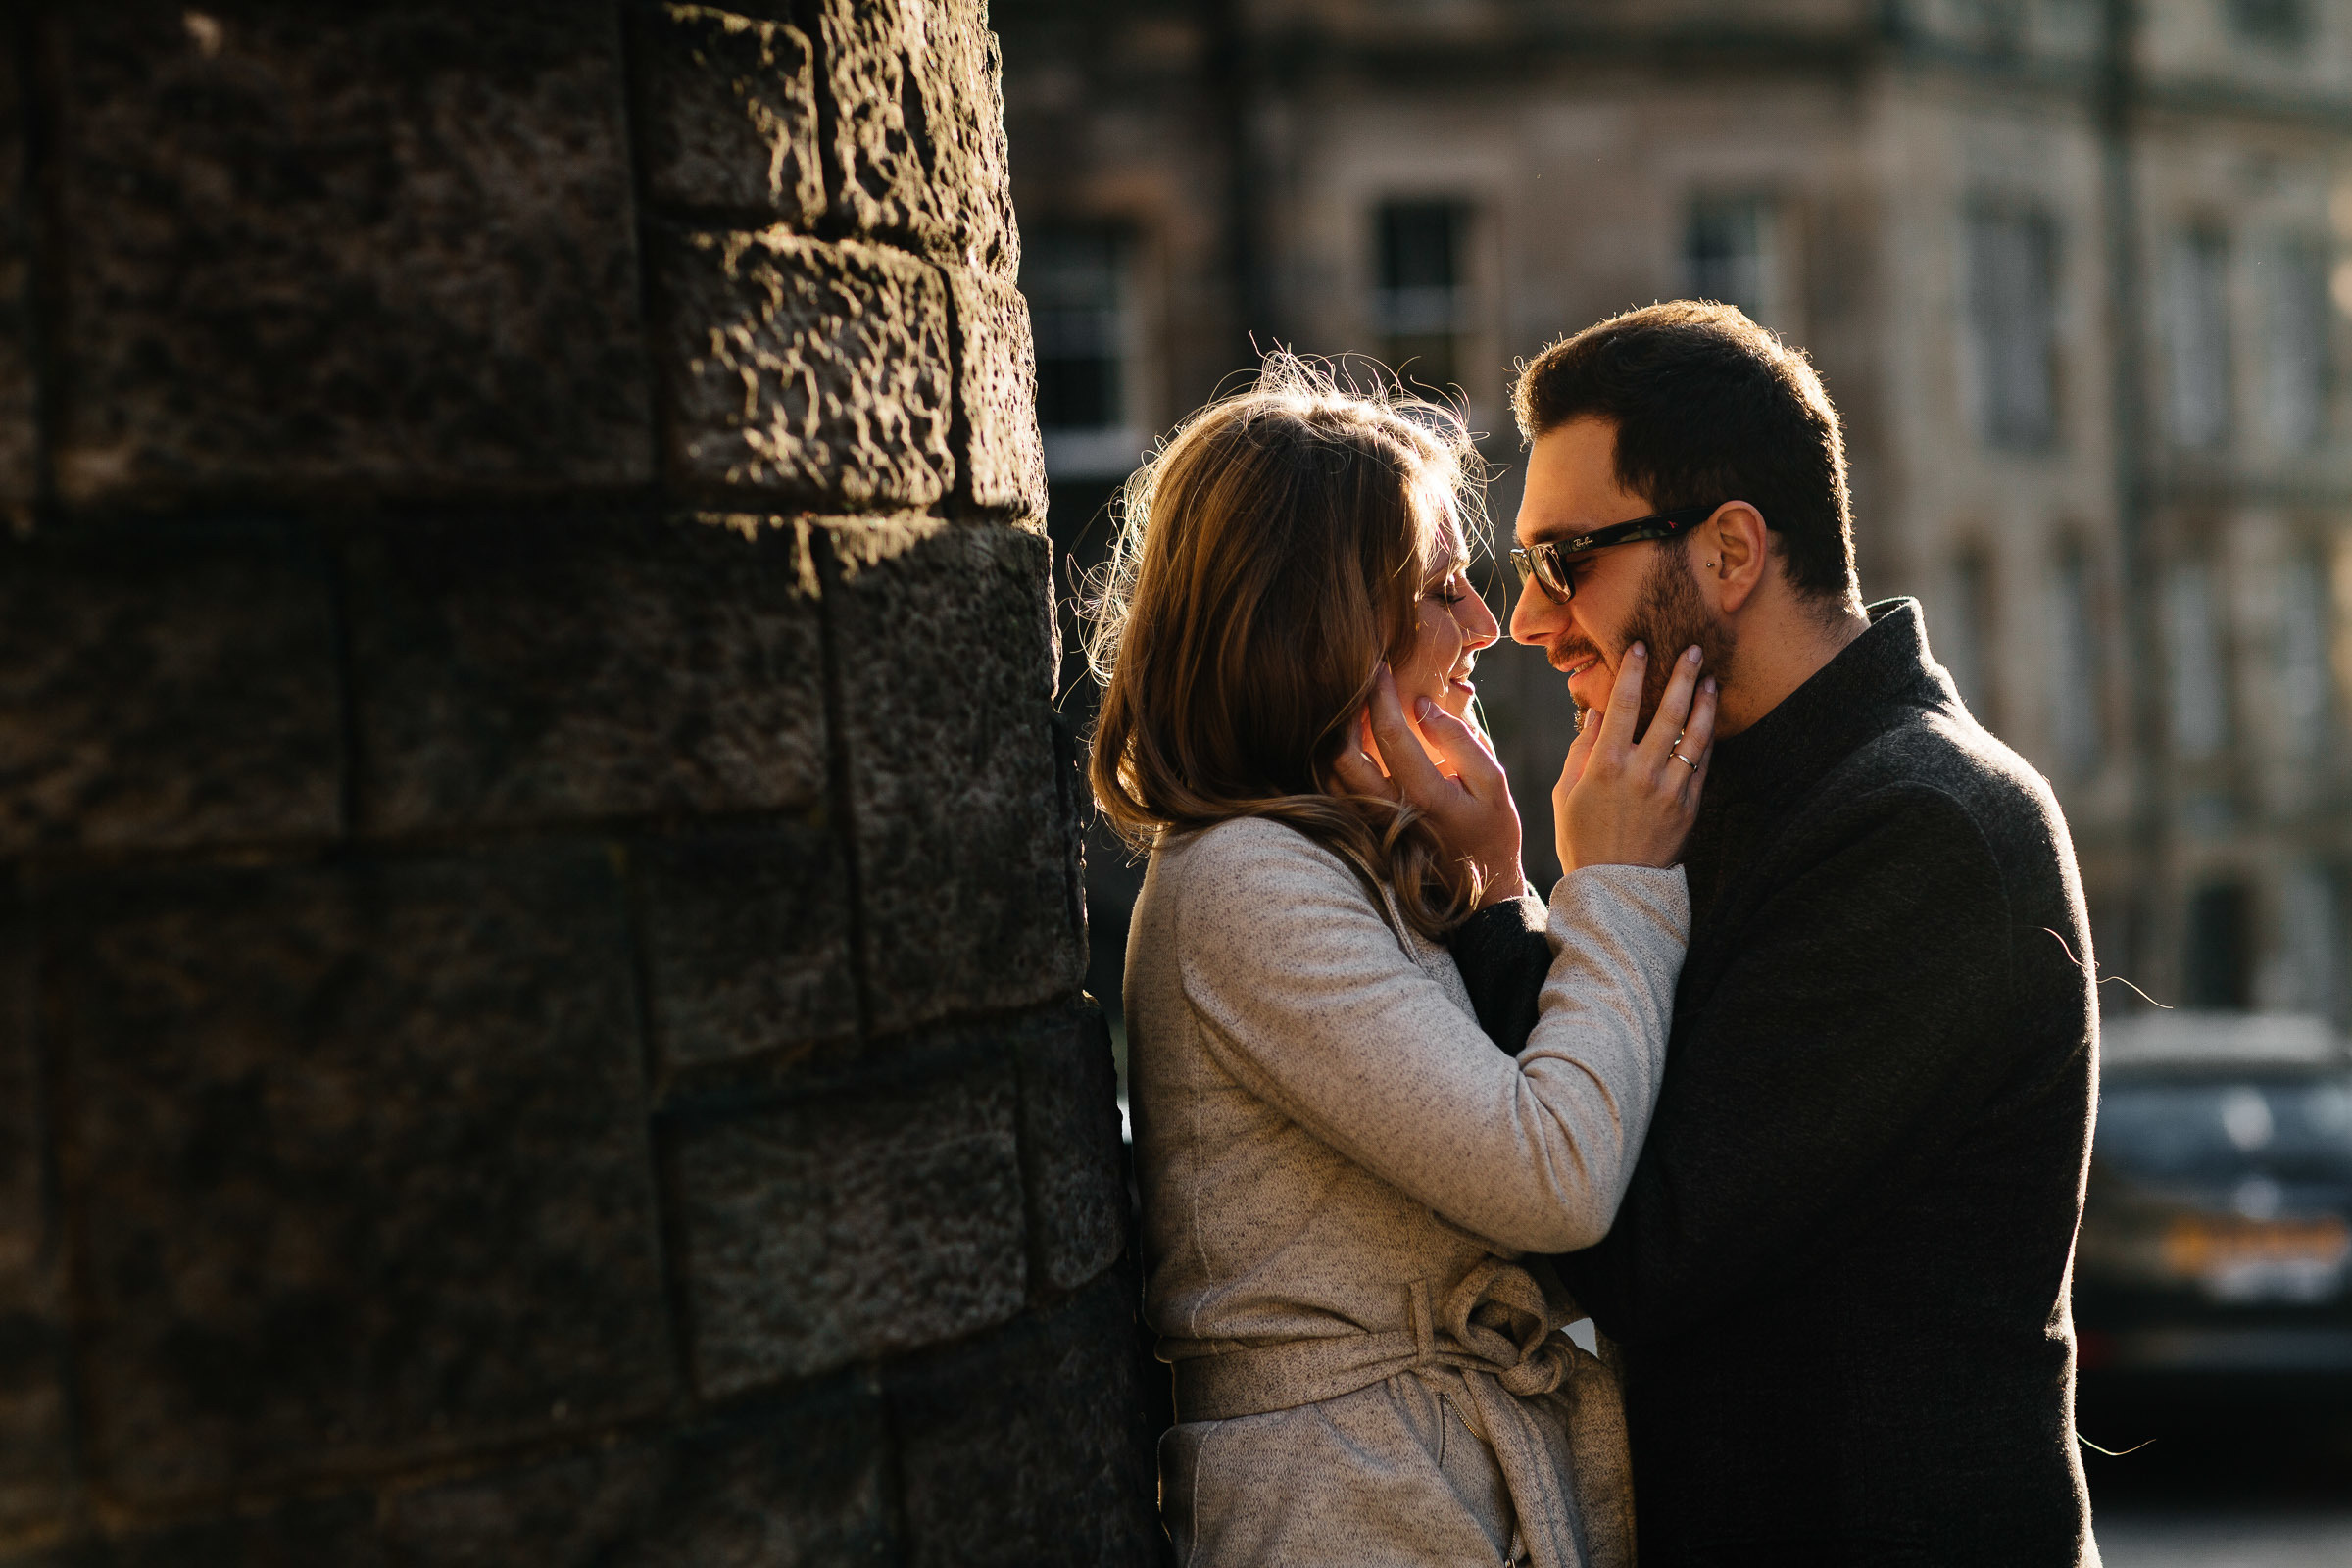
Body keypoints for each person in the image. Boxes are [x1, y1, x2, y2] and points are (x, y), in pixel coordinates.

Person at [1418, 301, 2100, 1565]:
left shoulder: (1926, 824)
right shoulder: (1708, 799)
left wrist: (1504, 891)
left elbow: (1632, 1237)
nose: (1528, 620)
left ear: (1731, 550)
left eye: (1565, 560)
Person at [1085, 359, 1720, 1568]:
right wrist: (1620, 882)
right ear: (1315, 624)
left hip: (1412, 1478)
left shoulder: (1339, 858)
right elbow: (1557, 1174)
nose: (1484, 625)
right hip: (1350, 1504)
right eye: (1439, 591)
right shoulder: (1248, 883)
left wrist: (1498, 881)